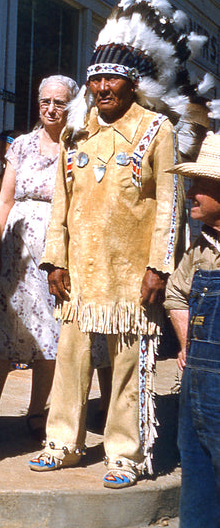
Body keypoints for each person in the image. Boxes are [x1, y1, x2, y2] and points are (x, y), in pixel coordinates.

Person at [27, 0, 210, 488]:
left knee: (130, 365)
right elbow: (60, 205)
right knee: (70, 358)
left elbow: (170, 204)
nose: (103, 87)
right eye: (97, 79)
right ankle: (63, 442)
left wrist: (159, 266)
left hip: (132, 274)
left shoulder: (157, 130)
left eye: (113, 78)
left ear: (132, 83)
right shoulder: (76, 134)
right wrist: (53, 260)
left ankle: (124, 453)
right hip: (80, 272)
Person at [0, 75, 78, 442]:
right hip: (15, 249)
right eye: (45, 101)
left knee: (49, 330)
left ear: (71, 106)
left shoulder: (78, 148)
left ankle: (35, 412)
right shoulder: (22, 146)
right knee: (3, 327)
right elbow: (4, 199)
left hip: (54, 250)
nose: (50, 108)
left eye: (59, 103)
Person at [164, 132, 220, 528]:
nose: (191, 193)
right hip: (197, 382)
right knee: (197, 473)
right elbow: (176, 295)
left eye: (201, 185)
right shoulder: (201, 246)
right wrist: (188, 343)